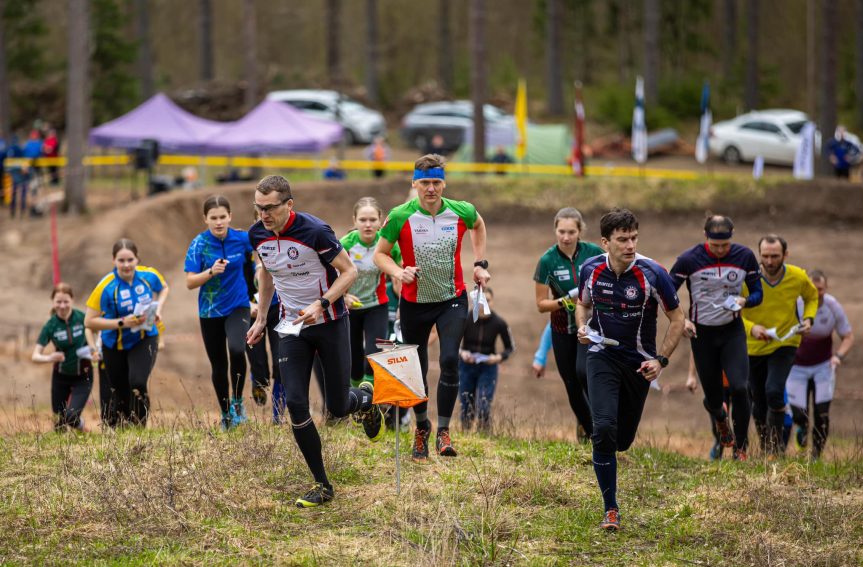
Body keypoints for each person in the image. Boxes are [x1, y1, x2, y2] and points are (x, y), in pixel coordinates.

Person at [246, 175, 385, 508]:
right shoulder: (257, 234)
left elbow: (349, 272)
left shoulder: (315, 232)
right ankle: (322, 484)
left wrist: (322, 303)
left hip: (330, 322)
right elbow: (266, 272)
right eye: (258, 208)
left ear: (288, 205)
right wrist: (262, 318)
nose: (264, 215)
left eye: (270, 208)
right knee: (296, 402)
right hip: (291, 327)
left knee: (337, 406)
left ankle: (364, 401)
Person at [374, 153, 491, 461]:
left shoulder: (461, 210)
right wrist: (399, 272)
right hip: (414, 303)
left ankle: (443, 430)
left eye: (436, 182)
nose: (430, 189)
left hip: (452, 299)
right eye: (424, 182)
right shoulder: (401, 215)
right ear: (414, 184)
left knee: (450, 359)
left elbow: (478, 224)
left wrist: (479, 264)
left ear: (444, 183)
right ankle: (422, 426)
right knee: (418, 369)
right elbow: (380, 255)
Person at [575, 208, 685, 531]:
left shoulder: (654, 274)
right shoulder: (590, 269)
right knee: (604, 429)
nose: (630, 245)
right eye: (622, 239)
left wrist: (660, 361)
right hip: (601, 355)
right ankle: (611, 509)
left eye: (634, 238)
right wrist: (582, 327)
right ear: (605, 242)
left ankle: (611, 454)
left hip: (638, 364)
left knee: (621, 440)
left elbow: (678, 319)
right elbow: (582, 304)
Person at [669, 215, 762, 460]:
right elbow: (667, 291)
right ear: (705, 236)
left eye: (725, 245)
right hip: (702, 334)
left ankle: (741, 448)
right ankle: (721, 421)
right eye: (715, 245)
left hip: (732, 331)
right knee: (713, 399)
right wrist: (683, 320)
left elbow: (758, 293)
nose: (720, 250)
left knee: (741, 388)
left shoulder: (745, 256)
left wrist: (746, 300)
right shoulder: (689, 259)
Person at [742, 234, 818, 457]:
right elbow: (733, 310)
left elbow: (811, 297)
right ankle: (766, 445)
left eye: (775, 256)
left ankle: (775, 450)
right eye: (764, 256)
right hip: (753, 345)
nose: (769, 261)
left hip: (785, 342)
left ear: (786, 255)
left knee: (774, 391)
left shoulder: (797, 276)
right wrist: (752, 328)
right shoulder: (747, 279)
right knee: (758, 401)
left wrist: (809, 319)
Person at [534, 207, 605, 440]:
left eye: (571, 232)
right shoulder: (547, 260)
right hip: (562, 329)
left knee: (584, 374)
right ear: (555, 230)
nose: (566, 237)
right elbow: (541, 304)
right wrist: (566, 301)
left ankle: (599, 430)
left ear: (580, 231)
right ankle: (590, 433)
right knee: (572, 384)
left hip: (590, 327)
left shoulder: (593, 252)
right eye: (561, 231)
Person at [184, 195, 254, 430]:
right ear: (205, 219)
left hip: (239, 305)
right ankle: (226, 414)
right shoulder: (199, 244)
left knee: (237, 348)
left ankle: (237, 403)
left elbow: (264, 251)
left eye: (223, 217)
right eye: (213, 218)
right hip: (210, 312)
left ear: (230, 216)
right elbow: (190, 282)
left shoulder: (242, 239)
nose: (219, 222)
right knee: (218, 365)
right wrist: (211, 272)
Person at [85, 239, 169, 427]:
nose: (126, 265)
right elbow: (89, 321)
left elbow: (164, 287)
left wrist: (159, 308)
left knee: (138, 382)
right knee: (121, 391)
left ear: (137, 259)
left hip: (145, 337)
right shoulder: (105, 287)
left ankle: (140, 426)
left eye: (130, 260)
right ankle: (126, 428)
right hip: (114, 344)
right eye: (121, 261)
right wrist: (122, 322)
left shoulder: (149, 275)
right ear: (113, 261)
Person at [786, 270, 854, 459]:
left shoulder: (833, 306)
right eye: (813, 289)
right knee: (799, 414)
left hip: (823, 367)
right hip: (796, 367)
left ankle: (816, 455)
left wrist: (838, 356)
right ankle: (801, 429)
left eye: (821, 289)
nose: (817, 293)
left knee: (822, 414)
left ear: (826, 288)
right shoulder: (796, 304)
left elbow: (848, 336)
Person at [340, 197, 402, 387]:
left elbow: (401, 275)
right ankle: (355, 401)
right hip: (349, 309)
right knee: (355, 363)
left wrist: (402, 305)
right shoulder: (345, 245)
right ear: (354, 221)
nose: (368, 225)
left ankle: (368, 405)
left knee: (374, 357)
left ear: (380, 221)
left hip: (377, 306)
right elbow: (329, 278)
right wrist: (343, 297)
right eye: (363, 220)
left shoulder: (388, 245)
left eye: (373, 220)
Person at [32, 283, 99, 431]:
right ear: (53, 302)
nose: (62, 306)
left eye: (66, 301)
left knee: (71, 417)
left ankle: (81, 427)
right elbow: (35, 356)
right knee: (59, 423)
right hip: (60, 377)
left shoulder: (82, 317)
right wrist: (50, 357)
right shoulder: (50, 325)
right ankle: (62, 450)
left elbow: (100, 332)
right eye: (58, 302)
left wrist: (96, 350)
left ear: (72, 300)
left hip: (83, 376)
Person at [458, 287, 514, 431]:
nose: (484, 305)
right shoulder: (465, 319)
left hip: (488, 367)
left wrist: (498, 358)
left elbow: (510, 347)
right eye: (480, 301)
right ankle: (465, 434)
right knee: (466, 404)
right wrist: (462, 353)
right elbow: (451, 343)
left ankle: (484, 435)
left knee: (483, 404)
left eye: (487, 301)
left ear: (492, 302)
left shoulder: (499, 323)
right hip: (466, 366)